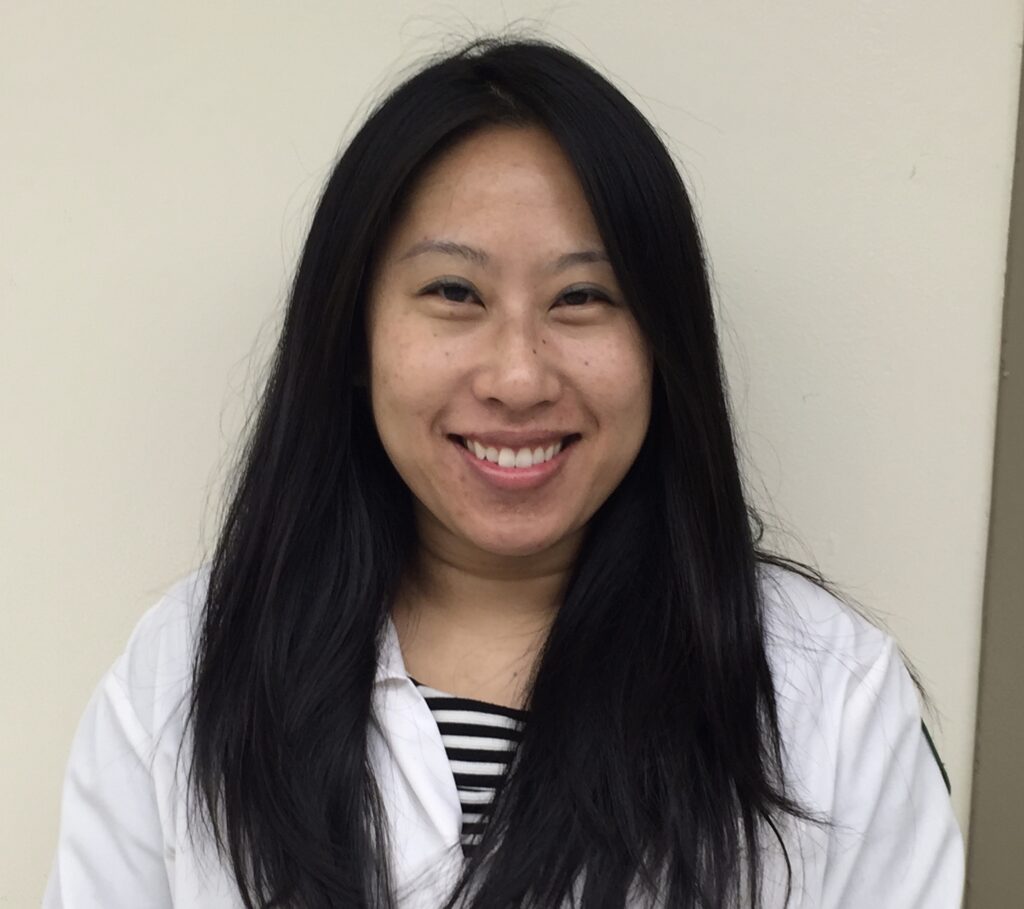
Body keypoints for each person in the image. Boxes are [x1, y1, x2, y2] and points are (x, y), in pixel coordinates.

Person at [43, 37, 964, 909]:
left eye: (582, 298)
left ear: (661, 343)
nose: (519, 377)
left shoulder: (832, 703)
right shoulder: (181, 675)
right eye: (454, 293)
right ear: (356, 334)